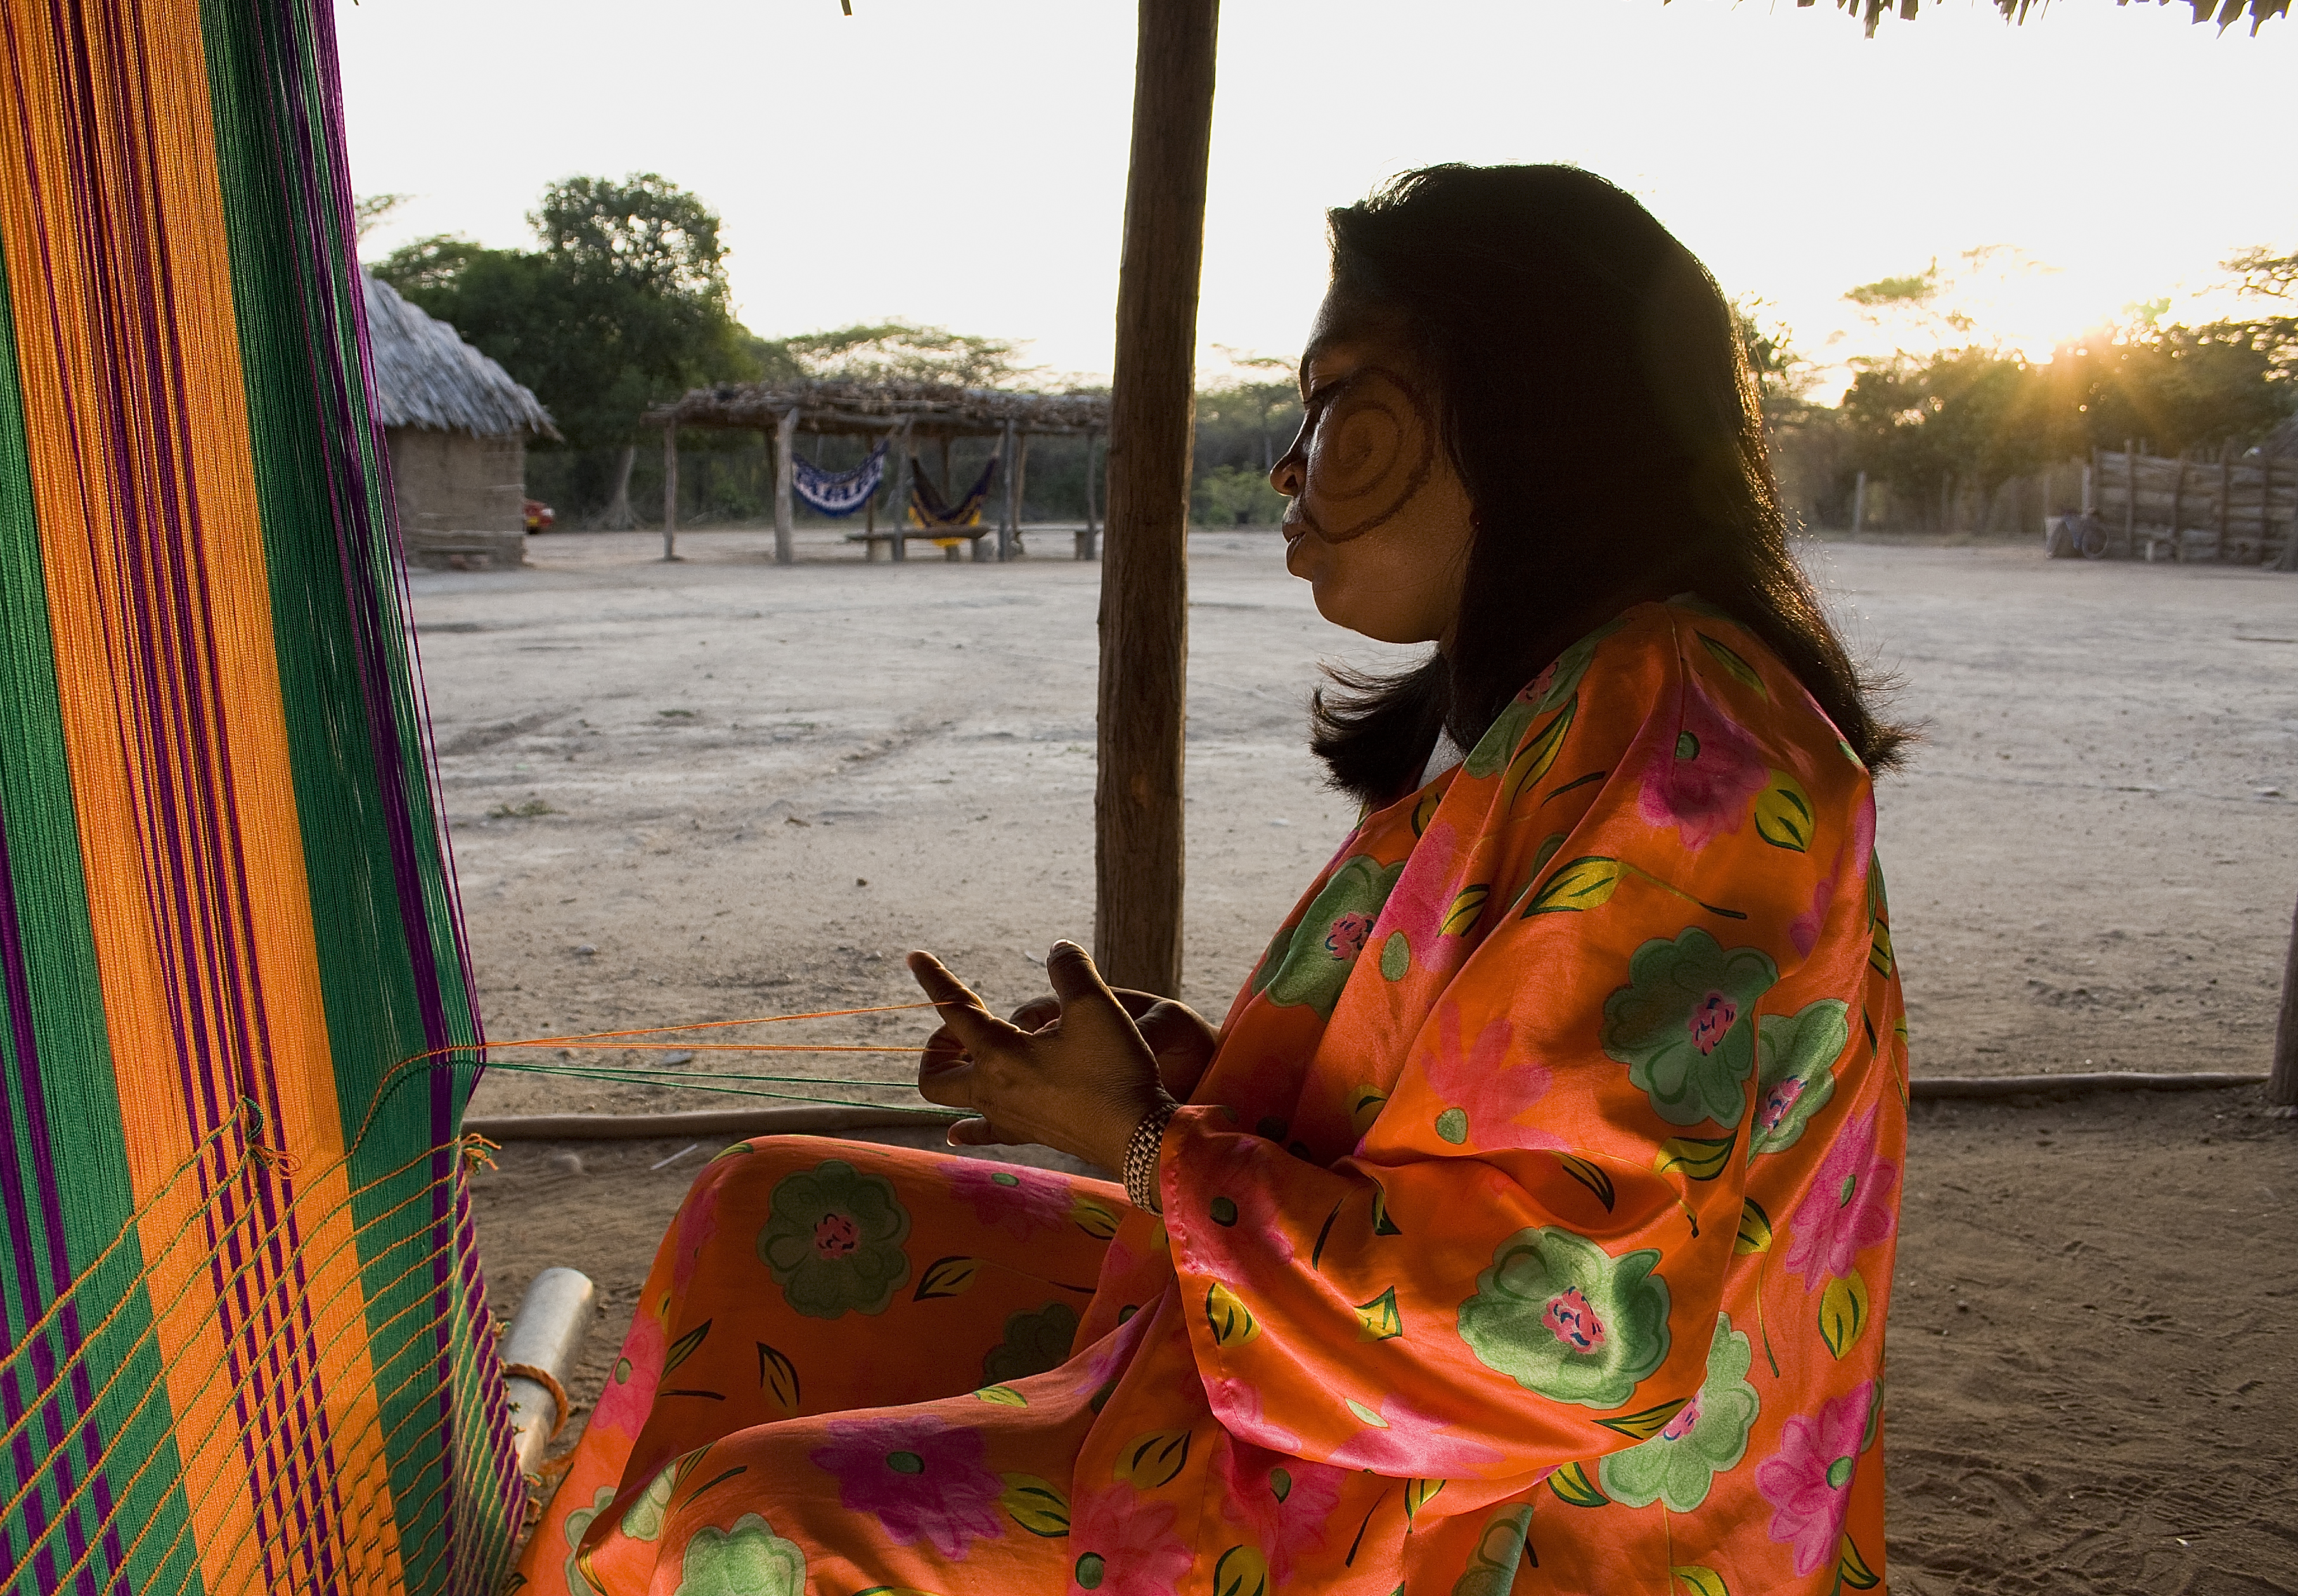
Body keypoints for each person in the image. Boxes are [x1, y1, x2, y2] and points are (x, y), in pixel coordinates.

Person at [520, 163, 1910, 1596]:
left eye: (1339, 406)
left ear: (1529, 412)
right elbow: (1474, 1107)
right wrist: (1202, 1080)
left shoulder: (1686, 758)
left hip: (1498, 1510)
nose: (1291, 469)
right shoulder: (1594, 705)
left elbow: (1564, 1334)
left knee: (751, 1521)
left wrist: (1146, 1149)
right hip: (1362, 1396)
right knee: (767, 1215)